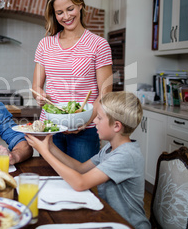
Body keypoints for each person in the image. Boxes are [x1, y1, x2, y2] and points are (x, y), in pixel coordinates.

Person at [25, 91, 151, 229]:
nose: (94, 121)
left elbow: (80, 183)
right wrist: (49, 145)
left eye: (99, 117)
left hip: (127, 225)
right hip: (111, 218)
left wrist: (43, 151)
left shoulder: (126, 155)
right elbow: (80, 168)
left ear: (116, 126)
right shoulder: (110, 148)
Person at [32, 0, 113, 162]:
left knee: (82, 183)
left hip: (86, 128)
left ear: (80, 5)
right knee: (50, 181)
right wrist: (39, 95)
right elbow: (36, 86)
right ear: (54, 14)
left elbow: (105, 93)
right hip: (51, 127)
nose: (66, 16)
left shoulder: (98, 45)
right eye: (60, 12)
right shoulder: (45, 44)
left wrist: (83, 121)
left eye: (70, 9)